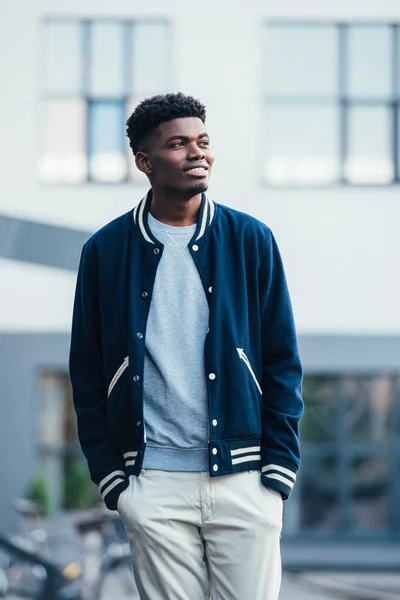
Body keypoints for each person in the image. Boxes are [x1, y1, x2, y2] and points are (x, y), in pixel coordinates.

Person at [69, 92, 303, 600]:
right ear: (145, 162)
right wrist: (113, 479)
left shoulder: (250, 239)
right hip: (152, 482)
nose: (197, 153)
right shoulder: (105, 252)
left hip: (244, 479)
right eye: (178, 144)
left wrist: (276, 474)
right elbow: (86, 373)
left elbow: (283, 360)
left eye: (203, 141)